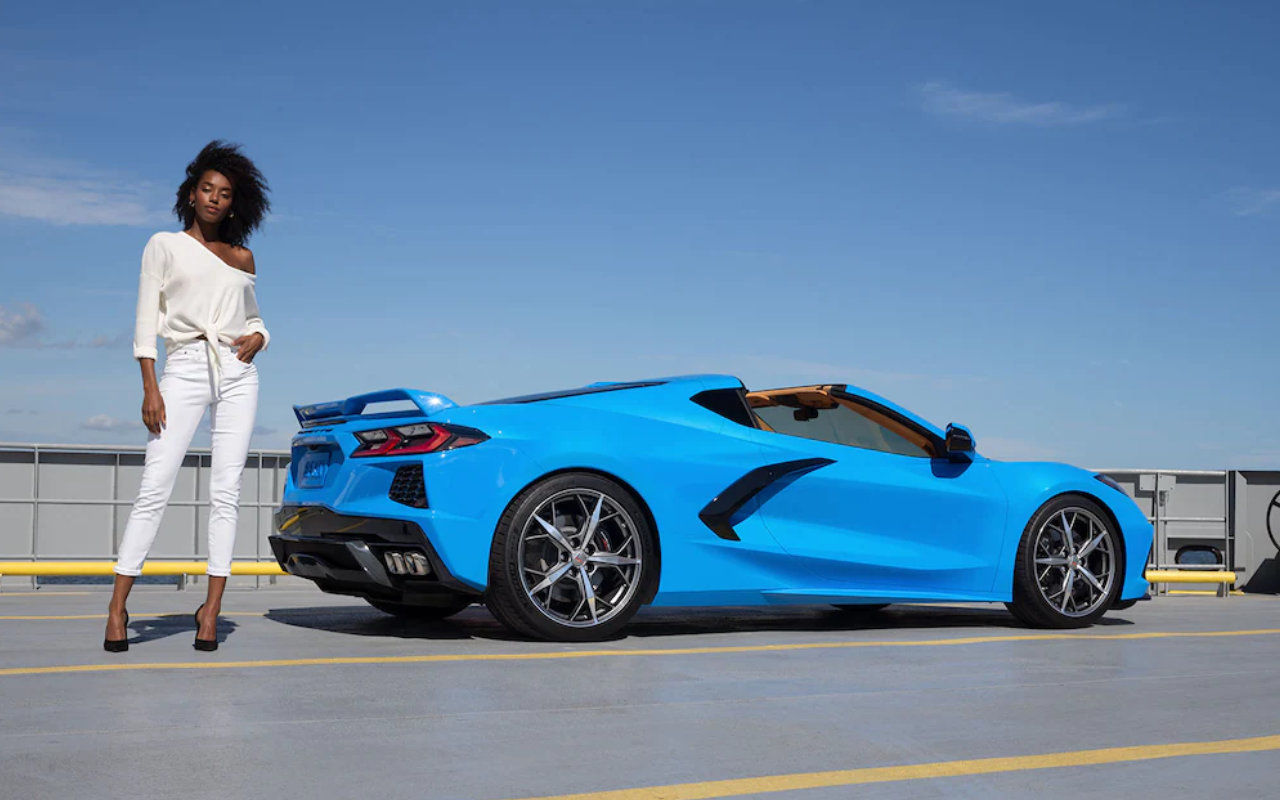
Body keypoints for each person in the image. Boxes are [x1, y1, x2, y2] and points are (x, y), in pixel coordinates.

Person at [103, 140, 271, 653]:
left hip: (239, 373)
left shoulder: (243, 256)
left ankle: (212, 610)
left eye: (224, 193)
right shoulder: (163, 245)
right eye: (207, 189)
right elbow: (144, 321)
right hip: (185, 368)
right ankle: (116, 607)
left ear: (233, 202)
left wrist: (262, 337)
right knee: (155, 485)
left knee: (226, 493)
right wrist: (149, 386)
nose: (215, 199)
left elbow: (254, 317)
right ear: (191, 193)